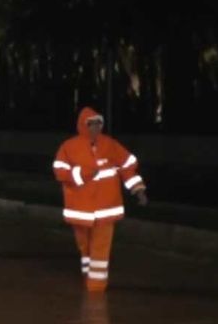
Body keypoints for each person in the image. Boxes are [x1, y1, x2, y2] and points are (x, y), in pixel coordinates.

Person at [53, 107, 147, 292]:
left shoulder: (110, 145)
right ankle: (88, 274)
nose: (95, 127)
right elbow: (60, 172)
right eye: (91, 123)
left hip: (107, 207)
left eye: (98, 123)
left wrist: (138, 190)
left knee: (100, 247)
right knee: (85, 246)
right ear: (83, 125)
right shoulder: (69, 147)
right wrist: (84, 173)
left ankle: (96, 288)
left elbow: (127, 167)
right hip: (80, 208)